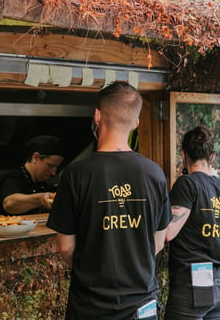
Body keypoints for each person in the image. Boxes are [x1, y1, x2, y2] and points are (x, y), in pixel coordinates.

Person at [48, 81, 171, 320]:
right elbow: (158, 242)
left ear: (97, 116)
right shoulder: (154, 174)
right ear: (136, 123)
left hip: (91, 307)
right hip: (142, 306)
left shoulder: (75, 174)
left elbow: (65, 247)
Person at [164, 125, 220, 320]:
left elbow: (168, 233)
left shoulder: (187, 184)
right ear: (212, 157)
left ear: (183, 155)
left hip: (192, 284)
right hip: (219, 284)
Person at [0, 135, 64, 217]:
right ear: (35, 157)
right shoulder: (13, 178)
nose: (53, 172)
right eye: (50, 166)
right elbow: (9, 203)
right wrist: (40, 198)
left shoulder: (43, 184)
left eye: (56, 167)